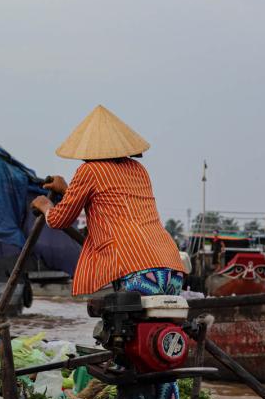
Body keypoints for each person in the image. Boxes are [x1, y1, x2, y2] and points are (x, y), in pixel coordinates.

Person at [31, 105, 186, 297]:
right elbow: (109, 198)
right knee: (151, 324)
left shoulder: (89, 171)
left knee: (118, 322)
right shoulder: (138, 169)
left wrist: (45, 205)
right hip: (172, 268)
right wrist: (66, 189)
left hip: (139, 270)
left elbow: (58, 220)